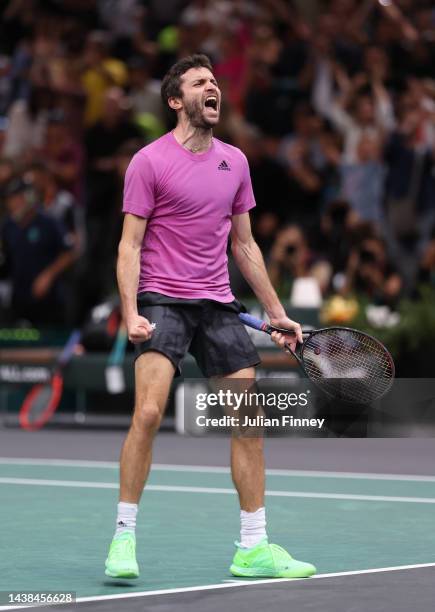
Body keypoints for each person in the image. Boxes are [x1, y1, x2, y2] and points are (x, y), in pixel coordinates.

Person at [105, 54, 316, 580]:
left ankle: (253, 546)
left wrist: (277, 312)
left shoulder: (235, 162)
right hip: (162, 300)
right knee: (149, 413)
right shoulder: (148, 162)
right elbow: (129, 246)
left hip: (218, 303)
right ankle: (123, 538)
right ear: (177, 101)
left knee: (248, 421)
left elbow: (244, 245)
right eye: (200, 82)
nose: (212, 87)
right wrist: (130, 313)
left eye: (215, 81)